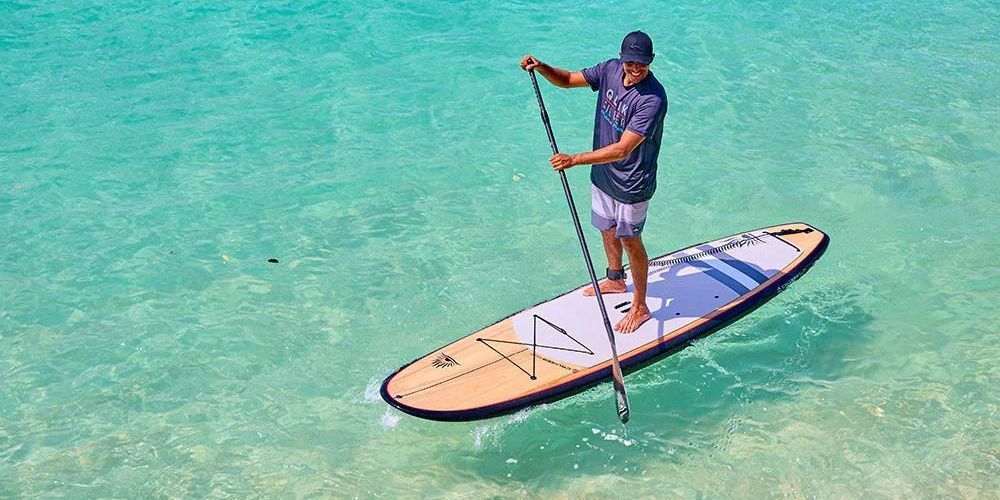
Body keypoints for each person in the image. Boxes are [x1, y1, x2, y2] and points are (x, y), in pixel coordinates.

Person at [520, 31, 668, 333]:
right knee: (606, 227)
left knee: (630, 239)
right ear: (622, 58)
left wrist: (574, 159)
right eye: (631, 62)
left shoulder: (653, 98)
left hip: (632, 181)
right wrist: (542, 67)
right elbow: (568, 79)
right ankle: (615, 279)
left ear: (650, 62)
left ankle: (640, 308)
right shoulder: (610, 70)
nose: (635, 69)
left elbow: (623, 149)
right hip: (604, 174)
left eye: (642, 64)